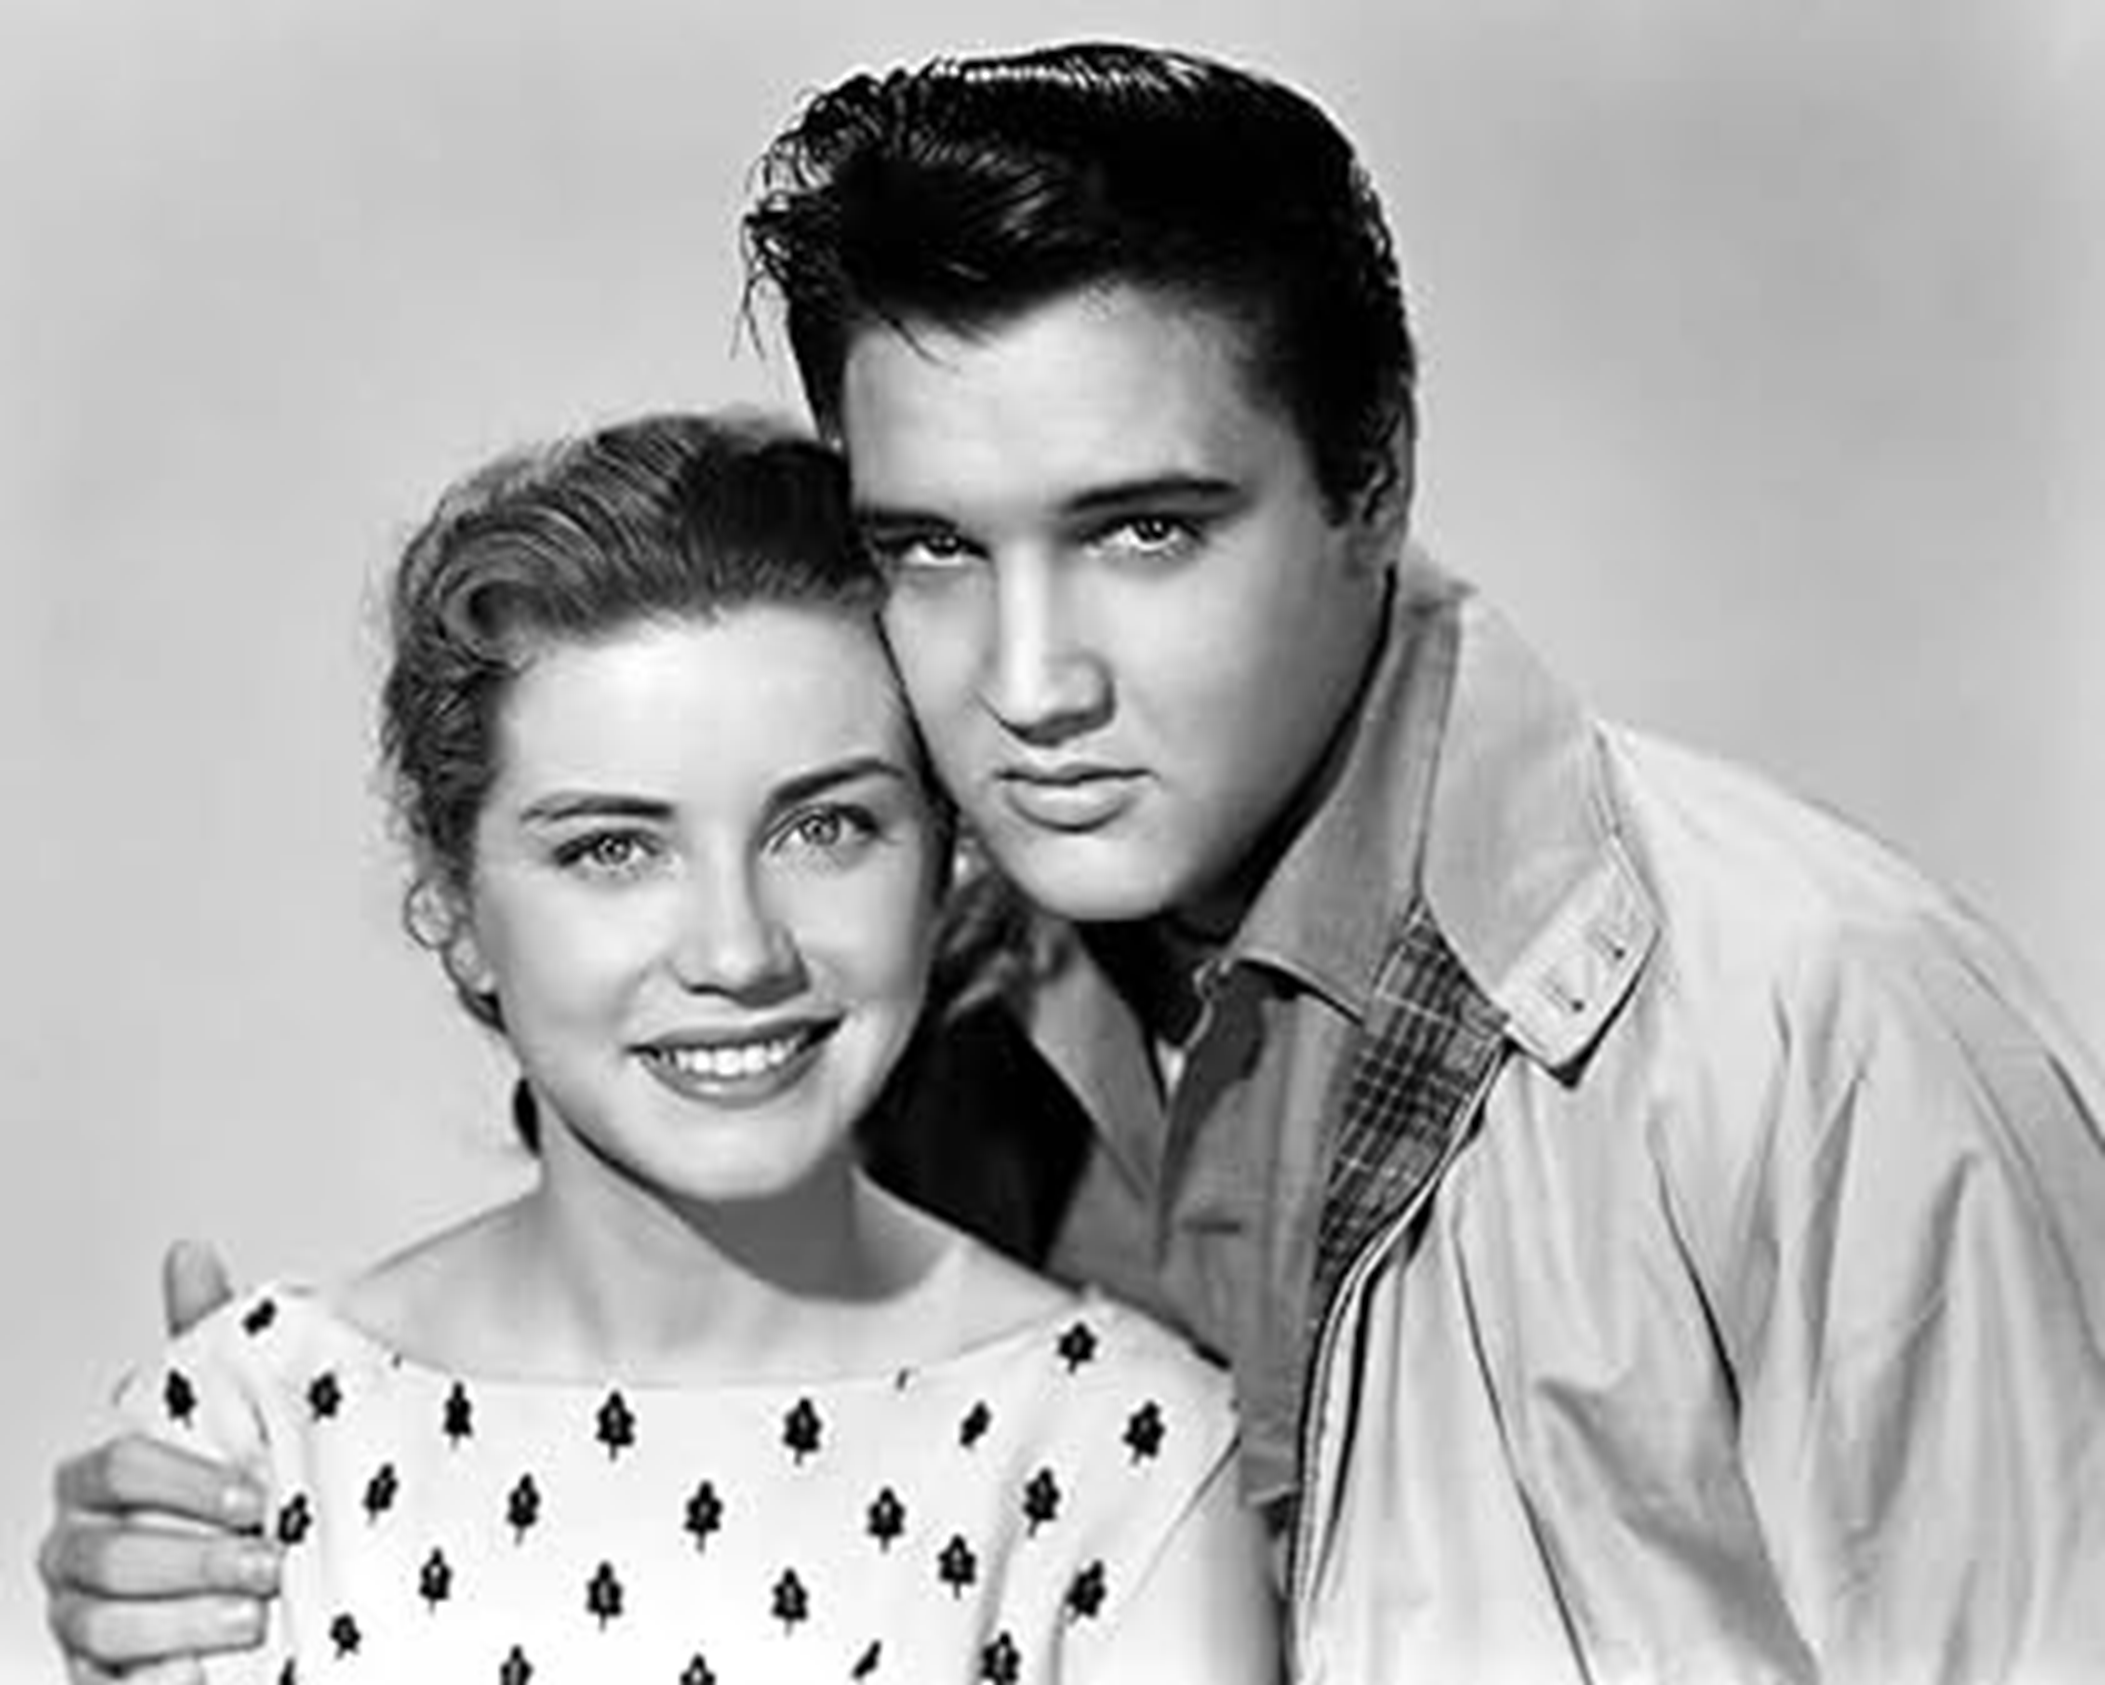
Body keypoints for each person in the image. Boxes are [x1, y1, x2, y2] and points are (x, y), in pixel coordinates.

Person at [42, 40, 2105, 1685]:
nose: (1027, 681)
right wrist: (263, 1510)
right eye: (932, 548)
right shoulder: (921, 995)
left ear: (1369, 474)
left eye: (1142, 529)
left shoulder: (1814, 1027)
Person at [46, 410, 1276, 1685]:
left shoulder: (1125, 1457)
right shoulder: (252, 1439)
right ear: (457, 906)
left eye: (826, 828)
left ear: (945, 857)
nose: (737, 952)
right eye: (612, 849)